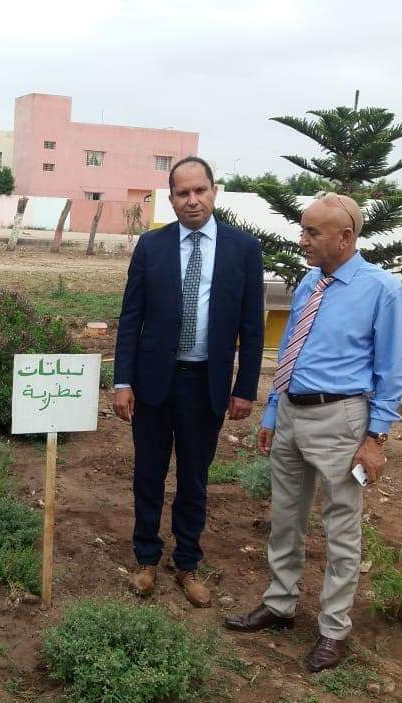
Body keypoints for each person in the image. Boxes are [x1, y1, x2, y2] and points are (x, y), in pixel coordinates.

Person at [225, 193, 402, 672]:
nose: (301, 240)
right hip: (290, 413)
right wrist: (271, 410)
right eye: (303, 229)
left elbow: (392, 369)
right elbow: (290, 345)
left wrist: (376, 438)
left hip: (341, 420)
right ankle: (280, 603)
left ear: (346, 238)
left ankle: (333, 629)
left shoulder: (381, 289)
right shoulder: (311, 281)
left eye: (313, 233)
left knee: (341, 528)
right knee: (286, 517)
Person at [113, 156, 264, 608]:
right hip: (154, 382)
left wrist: (245, 387)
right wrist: (123, 381)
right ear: (172, 198)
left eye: (200, 191)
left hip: (207, 384)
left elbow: (252, 328)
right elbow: (131, 317)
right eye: (182, 193)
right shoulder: (151, 247)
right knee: (148, 473)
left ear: (214, 191)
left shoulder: (243, 249)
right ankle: (145, 559)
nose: (192, 200)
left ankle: (188, 563)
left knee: (195, 477)